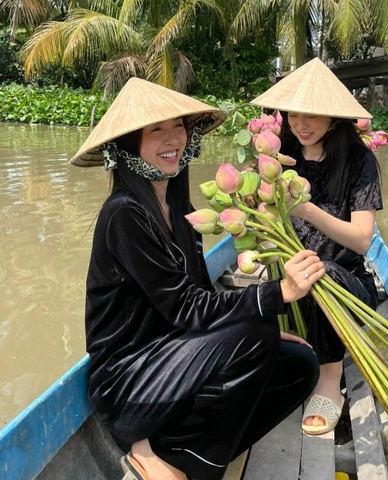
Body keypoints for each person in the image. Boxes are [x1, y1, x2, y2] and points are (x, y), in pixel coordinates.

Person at [70, 77, 325, 480]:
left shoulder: (176, 205)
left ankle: (179, 456)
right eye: (157, 130)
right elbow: (188, 308)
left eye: (179, 127)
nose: (172, 138)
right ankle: (169, 459)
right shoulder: (124, 214)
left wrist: (267, 328)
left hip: (175, 358)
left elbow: (201, 294)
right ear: (127, 144)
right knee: (256, 334)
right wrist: (278, 293)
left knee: (299, 365)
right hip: (129, 384)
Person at [251, 58, 383, 436]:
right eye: (293, 114)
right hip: (291, 276)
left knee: (317, 269)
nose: (301, 124)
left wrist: (305, 210)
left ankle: (330, 377)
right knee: (292, 272)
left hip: (344, 284)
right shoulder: (280, 154)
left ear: (333, 116)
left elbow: (361, 239)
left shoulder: (360, 161)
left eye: (311, 115)